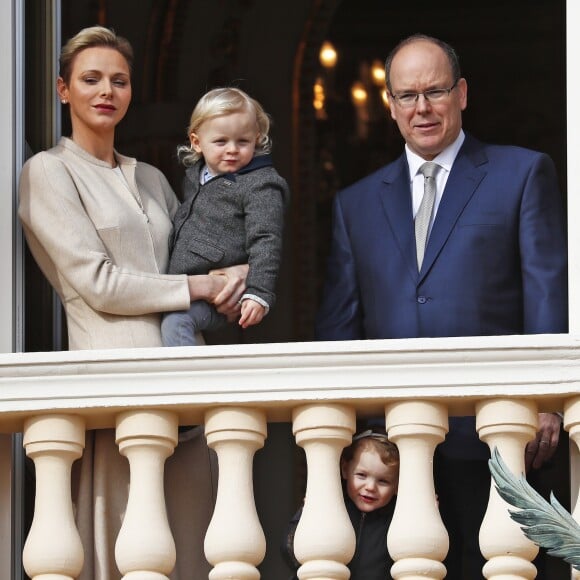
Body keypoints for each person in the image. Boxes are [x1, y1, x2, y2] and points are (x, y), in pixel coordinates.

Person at [315, 33, 568, 579]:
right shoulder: (354, 203)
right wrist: (349, 438)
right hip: (396, 456)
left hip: (502, 443)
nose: (421, 108)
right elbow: (339, 329)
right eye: (406, 95)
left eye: (435, 91)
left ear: (462, 94)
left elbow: (546, 291)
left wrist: (547, 399)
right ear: (390, 105)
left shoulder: (521, 174)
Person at [18, 26, 248, 580]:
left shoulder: (148, 177)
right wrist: (195, 287)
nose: (106, 91)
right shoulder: (49, 172)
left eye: (119, 81)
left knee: (194, 549)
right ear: (62, 90)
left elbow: (190, 260)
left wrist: (237, 268)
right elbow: (97, 281)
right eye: (91, 79)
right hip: (116, 389)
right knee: (130, 551)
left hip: (185, 384)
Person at [161, 87, 289, 347]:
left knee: (176, 322)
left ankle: (189, 384)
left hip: (220, 294)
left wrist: (258, 293)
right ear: (197, 142)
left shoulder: (261, 185)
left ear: (257, 138)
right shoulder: (195, 175)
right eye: (220, 142)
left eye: (243, 142)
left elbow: (266, 240)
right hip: (182, 284)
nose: (232, 150)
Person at [283, 429, 399, 580]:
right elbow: (288, 549)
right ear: (345, 469)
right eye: (361, 475)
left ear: (397, 485)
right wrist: (306, 514)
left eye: (383, 481)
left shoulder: (396, 521)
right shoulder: (332, 509)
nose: (370, 487)